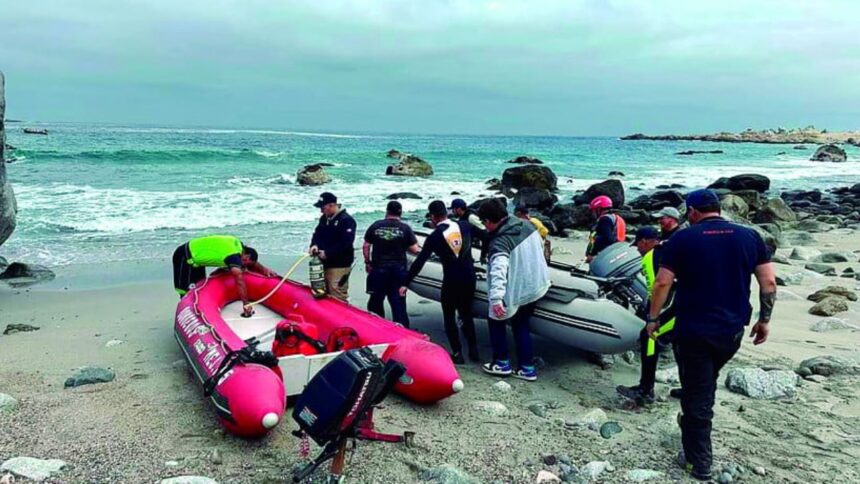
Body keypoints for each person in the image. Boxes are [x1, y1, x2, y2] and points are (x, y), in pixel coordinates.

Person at [647, 188, 776, 481]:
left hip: (694, 329)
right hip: (731, 330)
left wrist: (653, 319)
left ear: (692, 212)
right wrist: (765, 320)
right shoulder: (750, 236)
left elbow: (662, 284)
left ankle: (698, 463)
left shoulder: (683, 238)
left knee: (698, 396)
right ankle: (693, 420)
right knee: (703, 382)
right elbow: (768, 282)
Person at [477, 199, 550, 381]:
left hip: (518, 289)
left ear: (488, 221)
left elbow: (498, 272)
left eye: (484, 223)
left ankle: (501, 362)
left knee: (496, 320)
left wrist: (495, 299)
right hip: (536, 285)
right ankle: (527, 368)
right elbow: (539, 249)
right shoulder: (528, 225)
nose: (485, 227)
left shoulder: (500, 242)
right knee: (521, 325)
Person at [401, 200, 479, 363]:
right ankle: (473, 351)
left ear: (433, 217)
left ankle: (458, 354)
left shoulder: (435, 237)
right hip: (469, 278)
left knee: (449, 316)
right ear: (447, 212)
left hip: (452, 281)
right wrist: (485, 255)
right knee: (466, 314)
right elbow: (485, 236)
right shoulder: (465, 226)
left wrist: (405, 282)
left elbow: (420, 261)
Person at [616, 226, 676, 404]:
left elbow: (657, 289)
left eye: (638, 246)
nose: (638, 250)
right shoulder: (670, 247)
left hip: (686, 307)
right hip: (704, 304)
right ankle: (689, 388)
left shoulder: (651, 256)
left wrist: (652, 317)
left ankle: (645, 389)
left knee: (649, 336)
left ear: (645, 242)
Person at [172, 235, 276, 316]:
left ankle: (198, 310)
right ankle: (188, 314)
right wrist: (246, 303)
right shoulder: (233, 257)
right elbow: (239, 280)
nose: (243, 266)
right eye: (245, 264)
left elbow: (250, 260)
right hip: (185, 256)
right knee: (186, 291)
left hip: (197, 255)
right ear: (246, 257)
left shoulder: (238, 245)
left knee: (198, 287)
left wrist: (264, 269)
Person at [363, 201, 419, 327]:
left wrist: (367, 262)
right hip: (397, 271)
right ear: (400, 213)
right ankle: (402, 332)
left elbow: (366, 246)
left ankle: (376, 328)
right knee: (398, 303)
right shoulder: (405, 228)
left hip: (378, 269)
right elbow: (414, 249)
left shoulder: (376, 225)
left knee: (375, 301)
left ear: (387, 211)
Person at [310, 192, 357, 302]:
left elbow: (346, 242)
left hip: (339, 265)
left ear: (331, 205)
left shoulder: (346, 220)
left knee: (337, 293)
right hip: (324, 263)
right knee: (322, 291)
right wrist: (314, 245)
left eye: (323, 207)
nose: (321, 210)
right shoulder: (324, 218)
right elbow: (317, 233)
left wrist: (328, 253)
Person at [585, 195, 626, 263]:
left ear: (598, 209)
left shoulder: (604, 219)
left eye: (594, 210)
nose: (593, 214)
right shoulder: (616, 218)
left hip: (607, 253)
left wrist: (592, 254)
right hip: (618, 250)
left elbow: (605, 238)